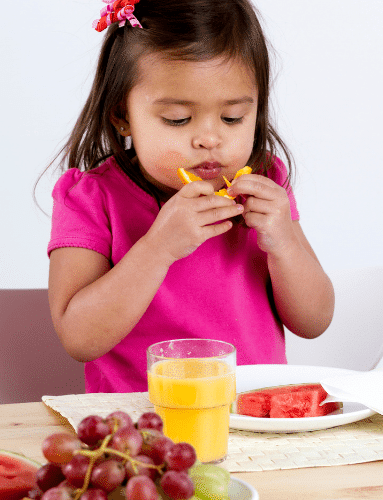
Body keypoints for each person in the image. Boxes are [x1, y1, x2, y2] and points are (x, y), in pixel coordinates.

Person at [47, 0, 335, 393]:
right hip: (141, 426)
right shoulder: (92, 197)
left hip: (250, 414)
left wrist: (283, 241)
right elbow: (79, 339)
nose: (209, 139)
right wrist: (158, 248)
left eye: (232, 117)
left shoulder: (267, 181)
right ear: (122, 114)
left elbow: (314, 321)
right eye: (178, 119)